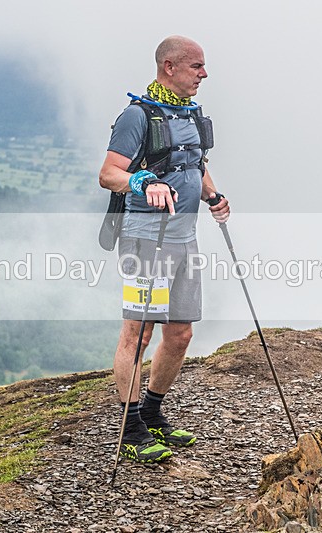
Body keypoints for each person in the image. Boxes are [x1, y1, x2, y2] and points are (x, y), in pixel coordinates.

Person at [98, 35, 230, 463]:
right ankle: (129, 429)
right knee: (139, 332)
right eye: (197, 66)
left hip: (184, 237)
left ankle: (152, 415)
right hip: (145, 237)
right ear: (169, 67)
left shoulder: (190, 113)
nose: (204, 74)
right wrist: (143, 181)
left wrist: (212, 196)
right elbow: (108, 173)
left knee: (181, 333)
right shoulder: (136, 116)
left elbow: (194, 163)